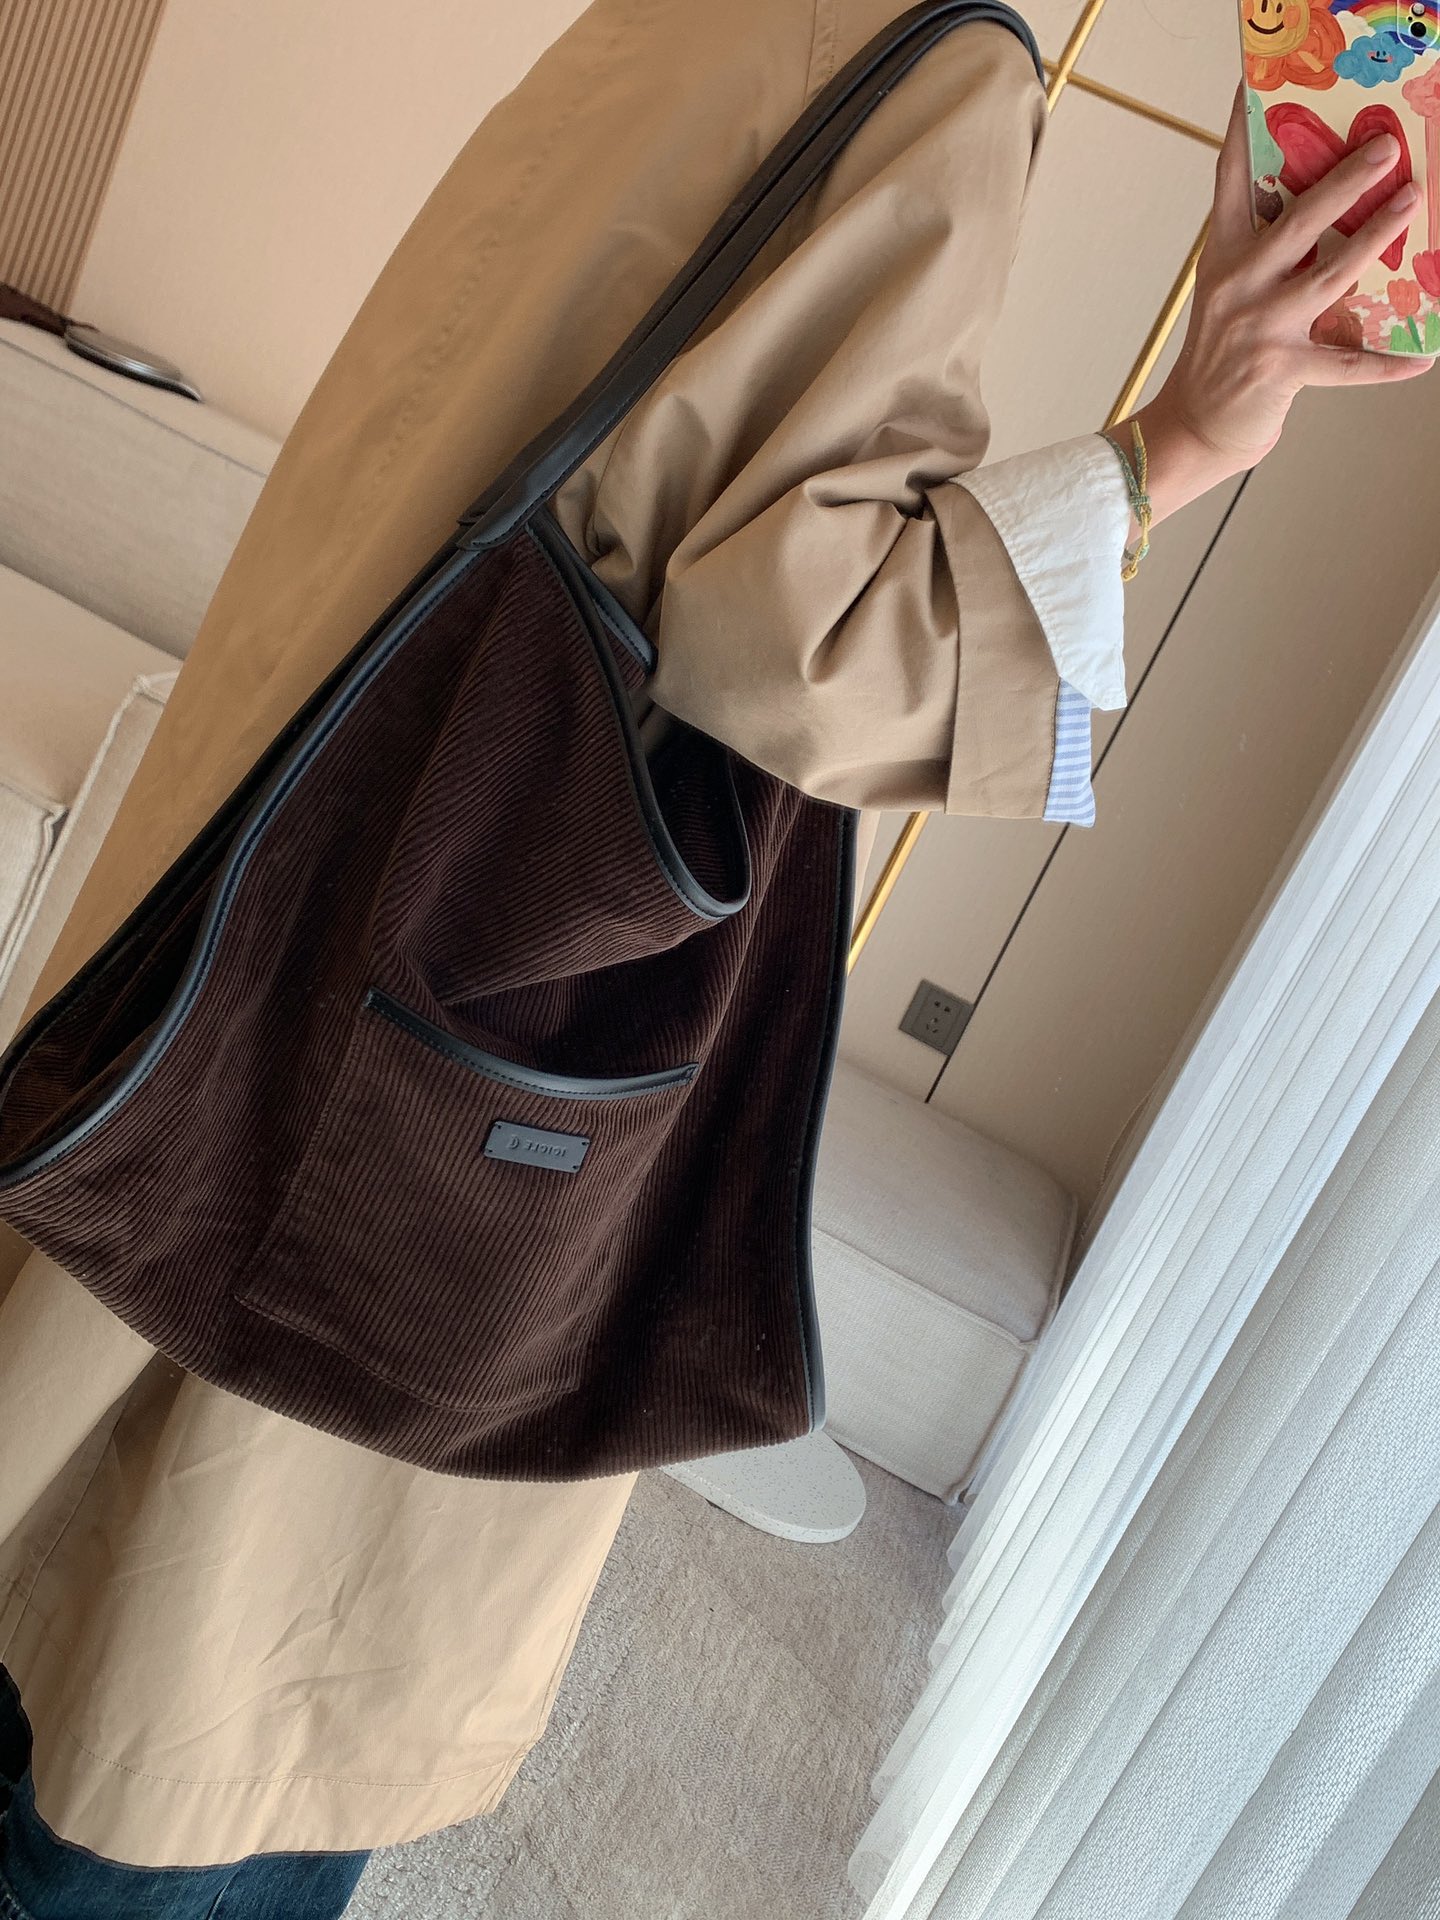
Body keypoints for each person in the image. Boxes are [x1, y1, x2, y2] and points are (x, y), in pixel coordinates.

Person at [0, 1, 1430, 1913]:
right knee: (223, 1671)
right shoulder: (952, 72)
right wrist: (1172, 448)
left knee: (101, 1506)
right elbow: (796, 647)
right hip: (455, 998)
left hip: (313, 834)